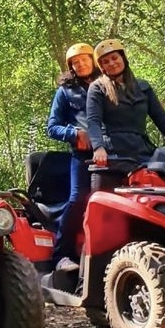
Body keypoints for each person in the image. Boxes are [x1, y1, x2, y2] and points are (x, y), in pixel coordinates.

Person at [87, 38, 165, 193]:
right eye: (106, 61)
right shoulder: (97, 88)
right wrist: (98, 148)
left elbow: (162, 120)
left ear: (123, 58)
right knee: (102, 203)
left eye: (115, 58)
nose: (112, 63)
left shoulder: (143, 87)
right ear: (102, 67)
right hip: (112, 153)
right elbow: (93, 120)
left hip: (142, 152)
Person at [46, 42, 101, 272]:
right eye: (75, 63)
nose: (80, 65)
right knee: (78, 198)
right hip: (83, 156)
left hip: (115, 153)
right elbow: (52, 127)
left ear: (93, 60)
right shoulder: (65, 92)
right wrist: (75, 133)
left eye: (84, 59)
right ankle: (61, 255)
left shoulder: (107, 85)